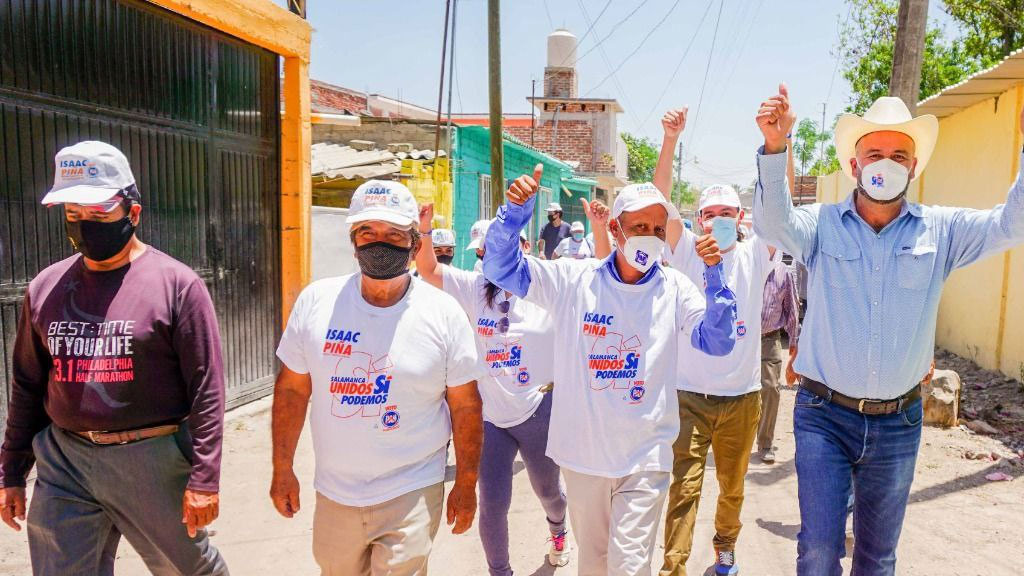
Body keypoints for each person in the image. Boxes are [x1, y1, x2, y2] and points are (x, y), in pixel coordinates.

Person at [753, 84, 1024, 575]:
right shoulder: (821, 225)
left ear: (914, 167)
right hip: (823, 416)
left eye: (899, 154)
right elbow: (773, 227)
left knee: (878, 557)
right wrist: (776, 149)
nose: (886, 162)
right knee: (818, 550)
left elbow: (1012, 224)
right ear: (854, 166)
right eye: (874, 152)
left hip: (897, 423)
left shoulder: (941, 231)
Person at [484, 164, 738, 576]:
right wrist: (514, 214)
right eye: (639, 225)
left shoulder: (675, 288)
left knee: (630, 566)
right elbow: (500, 269)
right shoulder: (574, 280)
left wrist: (714, 277)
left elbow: (718, 341)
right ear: (616, 229)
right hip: (584, 456)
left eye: (658, 229)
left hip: (646, 455)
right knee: (595, 563)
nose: (651, 237)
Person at [0, 141, 228, 575]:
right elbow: (27, 385)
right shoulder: (46, 287)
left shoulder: (177, 286)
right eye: (74, 214)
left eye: (100, 214)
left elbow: (207, 391)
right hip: (65, 459)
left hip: (150, 459)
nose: (86, 225)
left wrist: (204, 478)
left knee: (188, 569)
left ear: (133, 212)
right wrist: (10, 471)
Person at [270, 180, 484, 576]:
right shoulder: (317, 302)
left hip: (412, 487)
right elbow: (292, 390)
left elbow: (466, 403)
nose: (378, 243)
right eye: (367, 232)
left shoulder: (443, 313)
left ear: (414, 245)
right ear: (353, 241)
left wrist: (466, 482)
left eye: (393, 234)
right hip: (335, 490)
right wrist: (282, 468)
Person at [636, 108, 782, 576]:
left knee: (733, 487)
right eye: (709, 214)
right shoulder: (684, 254)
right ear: (698, 219)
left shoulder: (757, 253)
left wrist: (781, 142)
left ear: (740, 217)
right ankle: (674, 565)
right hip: (689, 396)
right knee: (684, 487)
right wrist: (669, 140)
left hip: (742, 397)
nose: (717, 221)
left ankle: (725, 550)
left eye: (726, 214)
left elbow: (779, 209)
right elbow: (658, 202)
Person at [415, 203, 570, 576]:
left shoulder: (547, 289)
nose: (488, 259)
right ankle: (500, 572)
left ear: (523, 248)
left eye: (497, 250)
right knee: (493, 504)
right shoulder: (474, 287)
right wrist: (423, 232)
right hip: (489, 421)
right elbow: (429, 269)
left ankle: (558, 531)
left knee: (549, 493)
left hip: (538, 412)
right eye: (483, 253)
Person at [758, 260, 800, 464]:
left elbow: (792, 309)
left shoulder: (783, 273)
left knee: (771, 388)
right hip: (742, 340)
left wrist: (794, 344)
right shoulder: (746, 265)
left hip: (770, 338)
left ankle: (765, 443)